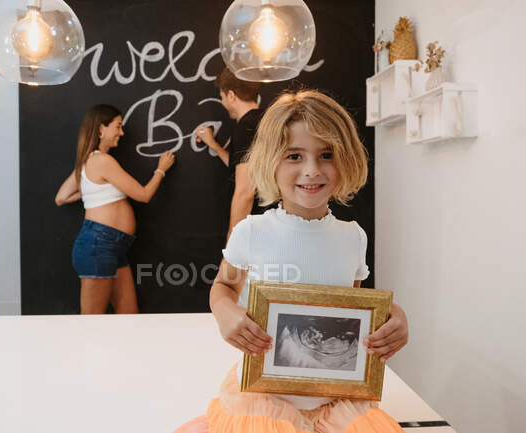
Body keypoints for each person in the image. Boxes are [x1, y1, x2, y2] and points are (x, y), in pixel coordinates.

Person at [175, 90, 408, 433]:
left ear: (347, 158)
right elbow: (223, 284)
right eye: (294, 156)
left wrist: (395, 317)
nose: (311, 170)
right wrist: (225, 313)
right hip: (264, 401)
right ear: (271, 160)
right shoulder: (252, 231)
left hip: (336, 403)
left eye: (326, 155)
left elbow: (350, 307)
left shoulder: (353, 237)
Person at [55, 104, 175, 315]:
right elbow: (143, 195)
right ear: (101, 128)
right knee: (92, 320)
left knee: (129, 315)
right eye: (117, 126)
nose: (122, 132)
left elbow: (62, 197)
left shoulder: (88, 162)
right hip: (99, 244)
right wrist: (161, 170)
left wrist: (90, 189)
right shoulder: (102, 161)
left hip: (114, 246)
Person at [195, 68, 267, 238]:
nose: (223, 102)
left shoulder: (245, 127)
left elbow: (245, 191)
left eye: (222, 97)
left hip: (255, 228)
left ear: (231, 96)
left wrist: (233, 240)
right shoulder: (265, 120)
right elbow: (246, 168)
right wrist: (215, 146)